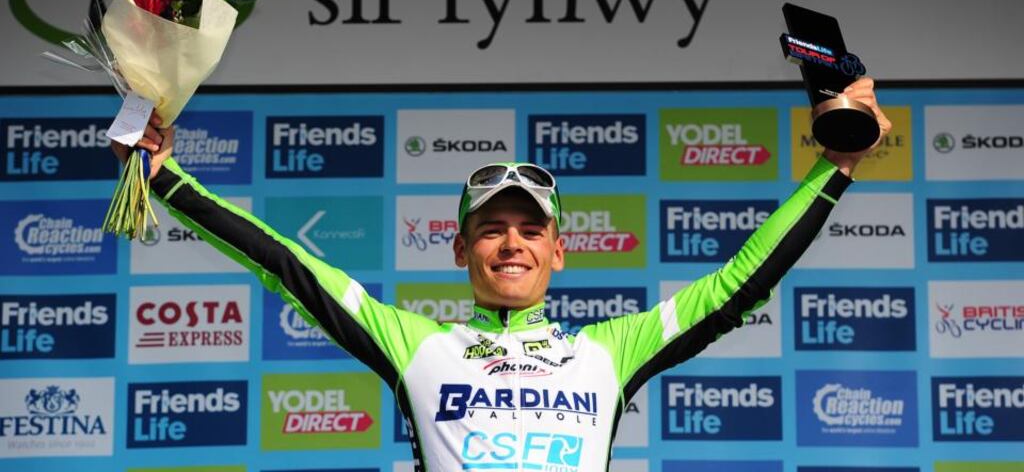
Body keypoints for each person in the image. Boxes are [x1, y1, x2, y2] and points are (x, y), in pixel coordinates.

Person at [116, 78, 890, 471]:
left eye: (530, 229)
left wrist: (840, 161)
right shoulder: (413, 343)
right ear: (460, 250)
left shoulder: (608, 352)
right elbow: (286, 262)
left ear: (560, 250)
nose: (511, 244)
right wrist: (168, 178)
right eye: (491, 229)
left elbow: (737, 287)